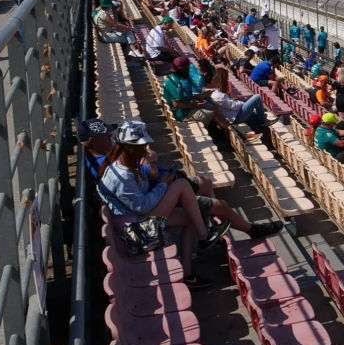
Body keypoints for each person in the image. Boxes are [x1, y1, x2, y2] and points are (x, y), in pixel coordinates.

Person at [97, 120, 281, 289]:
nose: (146, 148)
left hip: (138, 220)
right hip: (136, 232)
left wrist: (162, 183)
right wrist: (164, 185)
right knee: (181, 185)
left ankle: (188, 273)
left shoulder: (126, 165)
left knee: (190, 216)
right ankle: (204, 235)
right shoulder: (122, 174)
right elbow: (142, 207)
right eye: (142, 145)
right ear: (131, 148)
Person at [206, 65, 269, 137]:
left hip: (232, 114)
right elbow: (233, 106)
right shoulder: (218, 95)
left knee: (247, 101)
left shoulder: (212, 93)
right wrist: (243, 103)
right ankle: (262, 120)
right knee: (257, 97)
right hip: (236, 117)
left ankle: (258, 128)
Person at [162, 56, 216, 124]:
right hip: (180, 114)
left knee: (210, 106)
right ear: (183, 69)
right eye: (187, 68)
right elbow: (177, 104)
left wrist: (194, 97)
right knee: (210, 113)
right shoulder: (176, 83)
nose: (189, 70)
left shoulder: (173, 77)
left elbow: (181, 97)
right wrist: (195, 105)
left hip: (182, 106)